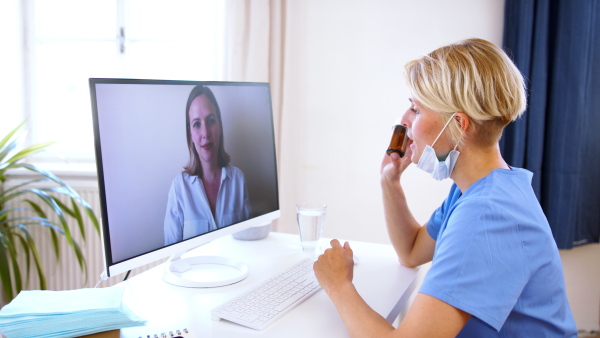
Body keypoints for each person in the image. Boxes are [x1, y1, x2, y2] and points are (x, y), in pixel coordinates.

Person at [313, 38, 577, 337]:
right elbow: (411, 251)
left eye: (415, 109)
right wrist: (390, 181)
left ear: (459, 124)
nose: (404, 121)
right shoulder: (481, 189)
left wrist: (339, 286)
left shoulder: (488, 216)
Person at [164, 85, 251, 245]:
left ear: (220, 127)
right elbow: (170, 258)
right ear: (190, 133)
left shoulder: (238, 180)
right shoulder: (179, 189)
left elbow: (247, 242)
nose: (205, 133)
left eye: (211, 121)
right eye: (197, 124)